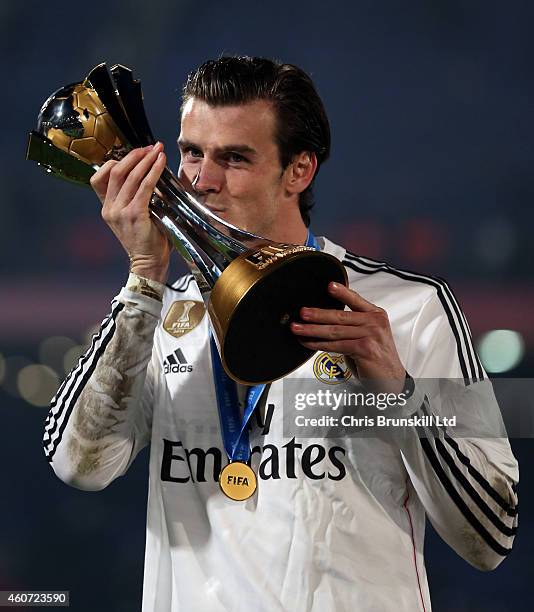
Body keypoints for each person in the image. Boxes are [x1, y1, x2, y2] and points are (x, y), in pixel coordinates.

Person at [43, 56, 518, 612]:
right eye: (192, 152)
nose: (201, 181)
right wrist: (144, 277)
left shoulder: (408, 309)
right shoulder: (160, 317)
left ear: (299, 170)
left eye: (235, 158)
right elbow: (79, 464)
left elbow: (491, 534)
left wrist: (398, 391)